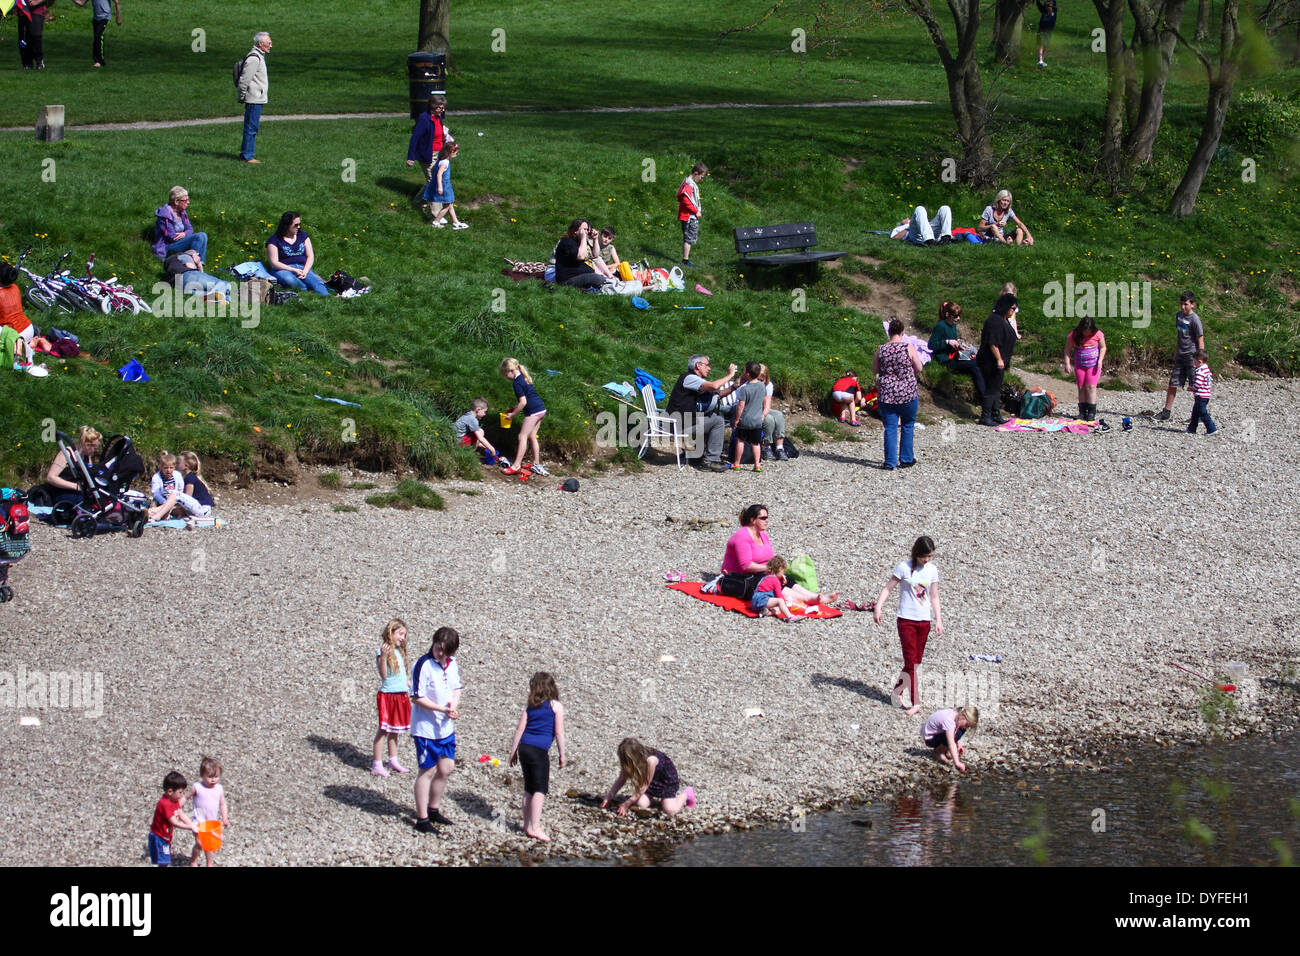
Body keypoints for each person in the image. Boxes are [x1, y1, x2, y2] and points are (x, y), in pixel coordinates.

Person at [874, 535, 943, 717]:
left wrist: (939, 619)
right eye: (924, 556)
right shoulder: (903, 568)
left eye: (929, 556)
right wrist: (878, 608)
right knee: (911, 663)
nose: (926, 560)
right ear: (916, 553)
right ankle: (916, 702)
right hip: (906, 619)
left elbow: (934, 596)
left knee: (915, 663)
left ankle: (897, 691)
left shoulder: (932, 570)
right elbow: (888, 588)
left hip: (924, 621)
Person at [719, 504, 840, 605]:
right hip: (739, 577)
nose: (766, 520)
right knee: (771, 581)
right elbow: (745, 566)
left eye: (767, 517)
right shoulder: (742, 537)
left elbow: (769, 557)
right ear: (752, 520)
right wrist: (770, 569)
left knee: (786, 578)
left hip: (758, 572)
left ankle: (815, 596)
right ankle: (809, 599)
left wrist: (778, 570)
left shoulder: (763, 535)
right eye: (763, 518)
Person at [411, 626, 462, 834]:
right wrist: (441, 708)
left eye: (444, 650)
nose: (439, 653)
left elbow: (457, 688)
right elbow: (416, 697)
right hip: (426, 729)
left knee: (446, 768)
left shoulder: (452, 664)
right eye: (437, 648)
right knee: (427, 770)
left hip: (445, 728)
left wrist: (453, 707)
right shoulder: (423, 665)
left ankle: (433, 809)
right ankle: (422, 819)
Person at [507, 672, 567, 842]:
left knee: (528, 787)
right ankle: (535, 826)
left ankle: (526, 824)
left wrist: (513, 752)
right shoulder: (556, 706)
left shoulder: (530, 706)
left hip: (525, 748)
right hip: (539, 751)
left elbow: (520, 729)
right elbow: (559, 732)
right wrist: (562, 754)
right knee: (540, 789)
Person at [665, 353, 740, 471]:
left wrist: (734, 387)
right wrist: (730, 375)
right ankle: (710, 460)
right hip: (677, 425)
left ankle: (698, 454)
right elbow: (715, 386)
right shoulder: (689, 378)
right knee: (718, 421)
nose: (709, 368)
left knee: (710, 417)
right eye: (707, 365)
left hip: (682, 421)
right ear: (698, 365)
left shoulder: (695, 380)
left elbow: (717, 394)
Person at [874, 318, 924, 469]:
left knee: (890, 427)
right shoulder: (908, 347)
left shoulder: (881, 349)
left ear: (889, 332)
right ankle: (906, 459)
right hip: (907, 393)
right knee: (908, 425)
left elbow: (875, 369)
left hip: (887, 394)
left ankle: (890, 462)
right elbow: (919, 367)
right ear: (902, 333)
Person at [601, 738, 695, 817]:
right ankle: (650, 797)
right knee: (642, 804)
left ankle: (687, 793)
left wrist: (627, 803)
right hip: (650, 782)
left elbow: (645, 785)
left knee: (670, 810)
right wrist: (609, 797)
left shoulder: (651, 760)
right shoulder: (631, 762)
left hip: (665, 782)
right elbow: (622, 778)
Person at [1156, 292, 1205, 421]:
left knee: (1196, 385)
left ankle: (1199, 414)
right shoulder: (1178, 316)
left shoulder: (1195, 320)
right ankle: (1166, 412)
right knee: (1173, 383)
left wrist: (1201, 360)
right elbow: (1180, 336)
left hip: (1192, 356)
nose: (1183, 307)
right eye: (1181, 304)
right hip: (1181, 355)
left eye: (1186, 304)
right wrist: (1176, 352)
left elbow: (1200, 340)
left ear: (1193, 305)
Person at [372, 618, 411, 776]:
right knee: (384, 729)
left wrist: (410, 684)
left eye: (404, 635)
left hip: (401, 694)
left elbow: (401, 676)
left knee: (395, 730)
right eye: (400, 634)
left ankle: (393, 760)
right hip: (388, 695)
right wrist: (383, 657)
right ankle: (377, 763)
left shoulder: (399, 652)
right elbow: (383, 675)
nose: (402, 637)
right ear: (391, 632)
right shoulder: (384, 650)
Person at [927, 301, 985, 402]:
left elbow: (952, 339)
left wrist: (959, 344)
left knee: (979, 363)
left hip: (955, 355)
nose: (958, 319)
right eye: (956, 316)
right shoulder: (940, 326)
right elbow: (931, 345)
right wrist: (947, 342)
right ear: (947, 315)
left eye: (959, 316)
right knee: (975, 364)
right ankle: (985, 397)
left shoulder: (953, 325)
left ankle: (985, 396)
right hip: (946, 360)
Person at [499, 357, 548, 476]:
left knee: (522, 436)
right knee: (532, 436)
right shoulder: (523, 377)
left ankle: (516, 466)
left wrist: (512, 415)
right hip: (541, 408)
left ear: (509, 371)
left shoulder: (517, 383)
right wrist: (515, 408)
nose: (506, 378)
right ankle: (536, 464)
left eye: (505, 375)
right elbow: (527, 398)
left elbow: (523, 402)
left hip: (533, 412)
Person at [977, 293, 1019, 426]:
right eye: (1013, 308)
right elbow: (992, 343)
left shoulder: (1004, 319)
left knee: (996, 388)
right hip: (990, 360)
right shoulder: (994, 320)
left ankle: (996, 414)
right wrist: (999, 359)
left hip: (1001, 360)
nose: (1014, 311)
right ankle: (985, 416)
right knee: (991, 388)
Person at [266, 211, 330, 296]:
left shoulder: (303, 235)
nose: (298, 227)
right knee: (289, 279)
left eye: (299, 224)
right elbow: (274, 263)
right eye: (296, 225)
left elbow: (310, 256)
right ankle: (305, 292)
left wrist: (305, 271)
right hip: (283, 269)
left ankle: (327, 296)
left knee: (317, 282)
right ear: (287, 225)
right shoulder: (274, 240)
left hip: (302, 268)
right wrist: (293, 270)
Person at [406, 94, 452, 210]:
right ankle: (436, 215)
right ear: (434, 106)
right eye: (441, 108)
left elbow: (439, 134)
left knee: (435, 179)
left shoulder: (438, 117)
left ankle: (418, 201)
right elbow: (415, 138)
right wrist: (411, 157)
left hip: (440, 152)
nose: (443, 110)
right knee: (433, 181)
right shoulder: (424, 119)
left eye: (443, 108)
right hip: (428, 153)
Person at [147, 770, 198, 867]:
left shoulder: (173, 800)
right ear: (170, 791)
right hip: (159, 837)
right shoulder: (165, 804)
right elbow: (174, 822)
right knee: (163, 860)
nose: (182, 795)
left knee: (165, 858)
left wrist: (192, 824)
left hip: (165, 836)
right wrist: (190, 827)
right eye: (180, 792)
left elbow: (180, 813)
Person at [236, 31, 272, 164]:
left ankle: (247, 154)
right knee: (251, 128)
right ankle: (247, 156)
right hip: (254, 99)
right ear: (260, 44)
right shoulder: (254, 58)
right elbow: (244, 80)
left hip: (257, 98)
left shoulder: (258, 57)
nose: (271, 45)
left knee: (252, 127)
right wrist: (241, 96)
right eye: (268, 43)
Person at [188, 755, 230, 867]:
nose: (213, 779)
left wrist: (225, 817)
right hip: (198, 821)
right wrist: (177, 806)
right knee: (200, 843)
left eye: (216, 776)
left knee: (210, 845)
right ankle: (193, 860)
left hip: (212, 822)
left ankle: (209, 863)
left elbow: (222, 804)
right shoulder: (197, 787)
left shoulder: (219, 788)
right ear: (202, 775)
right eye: (210, 776)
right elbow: (185, 797)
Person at [43, 426, 102, 504]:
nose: (96, 451)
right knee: (86, 502)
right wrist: (76, 487)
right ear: (87, 445)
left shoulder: (87, 457)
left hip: (76, 492)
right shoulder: (66, 453)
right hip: (60, 492)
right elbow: (50, 478)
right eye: (95, 448)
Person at [1063, 315, 1106, 420]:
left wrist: (1100, 361)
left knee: (1091, 387)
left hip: (1094, 365)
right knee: (1081, 387)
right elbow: (1067, 350)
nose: (1087, 333)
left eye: (1089, 331)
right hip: (1080, 365)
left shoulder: (1098, 334)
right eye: (1085, 331)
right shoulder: (1073, 335)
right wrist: (1067, 364)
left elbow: (1103, 347)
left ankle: (1091, 413)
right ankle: (1082, 412)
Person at [149, 450, 210, 523]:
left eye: (177, 463)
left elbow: (186, 498)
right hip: (195, 509)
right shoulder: (183, 477)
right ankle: (152, 513)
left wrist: (168, 503)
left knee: (175, 495)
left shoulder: (190, 479)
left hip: (203, 509)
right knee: (171, 507)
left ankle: (157, 515)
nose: (175, 465)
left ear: (186, 466)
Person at [730, 361, 768, 472]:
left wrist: (737, 419)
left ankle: (737, 463)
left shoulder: (744, 389)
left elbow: (741, 406)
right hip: (757, 420)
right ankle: (757, 464)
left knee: (740, 441)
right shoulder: (762, 386)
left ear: (747, 374)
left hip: (745, 420)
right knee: (756, 443)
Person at [152, 186, 207, 263]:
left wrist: (184, 234)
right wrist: (186, 236)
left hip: (180, 242)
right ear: (176, 202)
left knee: (203, 235)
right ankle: (194, 264)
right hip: (168, 246)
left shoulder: (182, 211)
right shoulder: (165, 215)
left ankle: (200, 263)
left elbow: (190, 229)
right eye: (185, 200)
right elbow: (172, 237)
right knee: (199, 237)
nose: (188, 202)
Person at [552, 219, 610, 290]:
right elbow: (581, 256)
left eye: (588, 230)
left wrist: (595, 239)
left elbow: (596, 255)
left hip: (579, 276)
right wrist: (583, 239)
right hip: (567, 279)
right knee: (597, 278)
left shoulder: (580, 243)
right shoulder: (567, 241)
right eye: (584, 229)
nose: (587, 232)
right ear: (575, 231)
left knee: (598, 278)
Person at [423, 141, 467, 229]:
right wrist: (440, 187)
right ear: (451, 152)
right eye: (455, 152)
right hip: (444, 186)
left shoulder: (441, 160)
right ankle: (436, 222)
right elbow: (439, 174)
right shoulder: (445, 162)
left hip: (446, 185)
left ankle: (455, 222)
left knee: (450, 204)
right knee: (447, 206)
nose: (456, 154)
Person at [921, 705, 978, 772]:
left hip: (937, 733)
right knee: (957, 733)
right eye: (967, 725)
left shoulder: (956, 715)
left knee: (961, 730)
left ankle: (945, 750)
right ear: (963, 715)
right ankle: (938, 752)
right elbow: (951, 743)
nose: (966, 727)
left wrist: (958, 744)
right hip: (930, 738)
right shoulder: (949, 720)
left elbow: (956, 729)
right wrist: (957, 763)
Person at [164, 249, 231, 302]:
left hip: (179, 285)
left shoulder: (172, 264)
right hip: (188, 275)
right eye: (198, 255)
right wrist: (198, 263)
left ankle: (222, 298)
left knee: (208, 293)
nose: (199, 257)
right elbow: (196, 271)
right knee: (225, 284)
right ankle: (232, 295)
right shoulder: (185, 256)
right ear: (193, 255)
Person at [71, 0, 120, 68]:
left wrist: (118, 17)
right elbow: (81, 3)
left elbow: (116, 2)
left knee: (98, 37)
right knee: (96, 39)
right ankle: (97, 60)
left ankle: (99, 61)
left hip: (105, 18)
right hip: (96, 19)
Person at [756, 364, 789, 460]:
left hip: (762, 408)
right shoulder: (749, 385)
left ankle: (779, 448)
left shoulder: (768, 385)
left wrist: (763, 414)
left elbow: (767, 403)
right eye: (757, 379)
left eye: (761, 380)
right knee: (768, 419)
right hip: (752, 409)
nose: (759, 382)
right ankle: (766, 447)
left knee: (778, 415)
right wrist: (763, 415)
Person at [677, 162, 707, 266]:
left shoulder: (687, 182)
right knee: (688, 239)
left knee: (688, 238)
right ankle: (685, 260)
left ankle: (686, 259)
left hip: (688, 216)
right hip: (689, 217)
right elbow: (685, 200)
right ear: (696, 173)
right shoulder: (689, 184)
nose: (701, 180)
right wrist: (696, 211)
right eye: (701, 177)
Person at [17, 0, 56, 70]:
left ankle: (39, 61)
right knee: (23, 39)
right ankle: (27, 63)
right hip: (22, 10)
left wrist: (37, 1)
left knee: (35, 36)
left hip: (37, 11)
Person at [889, 205, 954, 245]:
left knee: (945, 208)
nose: (907, 218)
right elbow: (895, 237)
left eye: (908, 218)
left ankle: (946, 237)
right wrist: (908, 226)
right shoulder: (899, 228)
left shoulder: (919, 221)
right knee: (919, 209)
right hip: (918, 236)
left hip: (930, 231)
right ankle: (929, 240)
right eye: (905, 219)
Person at [1187, 348, 1217, 435]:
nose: (1193, 364)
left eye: (1194, 362)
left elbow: (1198, 384)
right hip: (1206, 395)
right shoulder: (1207, 370)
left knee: (1203, 413)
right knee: (1195, 413)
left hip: (1201, 395)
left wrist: (1192, 388)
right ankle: (1191, 429)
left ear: (1200, 361)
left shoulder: (1200, 371)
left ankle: (1211, 429)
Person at [1036, 0, 1057, 67]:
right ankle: (1040, 60)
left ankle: (1042, 60)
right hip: (1042, 31)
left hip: (1048, 32)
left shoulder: (1054, 13)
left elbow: (1054, 3)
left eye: (1050, 7)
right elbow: (1039, 5)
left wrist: (1050, 3)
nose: (1049, 8)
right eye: (1048, 7)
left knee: (1045, 46)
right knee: (1042, 45)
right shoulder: (1044, 12)